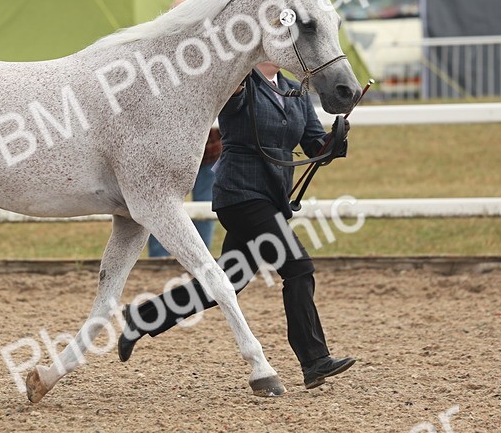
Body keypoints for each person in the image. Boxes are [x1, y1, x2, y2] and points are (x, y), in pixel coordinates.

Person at [118, 61, 356, 390]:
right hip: (240, 195)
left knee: (229, 282)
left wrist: (336, 140)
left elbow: (315, 144)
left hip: (272, 197)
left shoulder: (297, 90)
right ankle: (314, 359)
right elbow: (232, 104)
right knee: (299, 267)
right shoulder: (240, 82)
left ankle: (144, 317)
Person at [147, 128, 220, 257]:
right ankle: (201, 261)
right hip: (201, 150)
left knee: (161, 204)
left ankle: (160, 258)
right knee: (204, 204)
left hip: (173, 150)